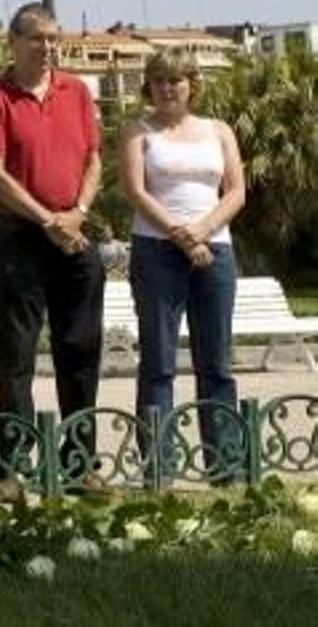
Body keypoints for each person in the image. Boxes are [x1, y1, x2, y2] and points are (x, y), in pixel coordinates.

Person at [0, 3, 104, 478]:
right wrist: (47, 219)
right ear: (14, 42)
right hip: (21, 236)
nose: (48, 47)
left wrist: (78, 214)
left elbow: (93, 159)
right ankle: (14, 462)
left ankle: (80, 460)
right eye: (37, 38)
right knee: (17, 354)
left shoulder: (76, 92)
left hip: (75, 234)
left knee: (80, 349)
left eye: (53, 38)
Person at [118, 47, 246, 479]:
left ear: (192, 84)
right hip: (157, 251)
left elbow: (235, 192)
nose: (168, 88)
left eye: (176, 80)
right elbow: (136, 191)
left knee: (217, 363)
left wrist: (203, 230)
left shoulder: (219, 130)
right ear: (149, 87)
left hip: (216, 251)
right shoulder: (138, 130)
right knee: (159, 362)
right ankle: (161, 468)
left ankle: (225, 465)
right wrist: (180, 233)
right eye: (159, 81)